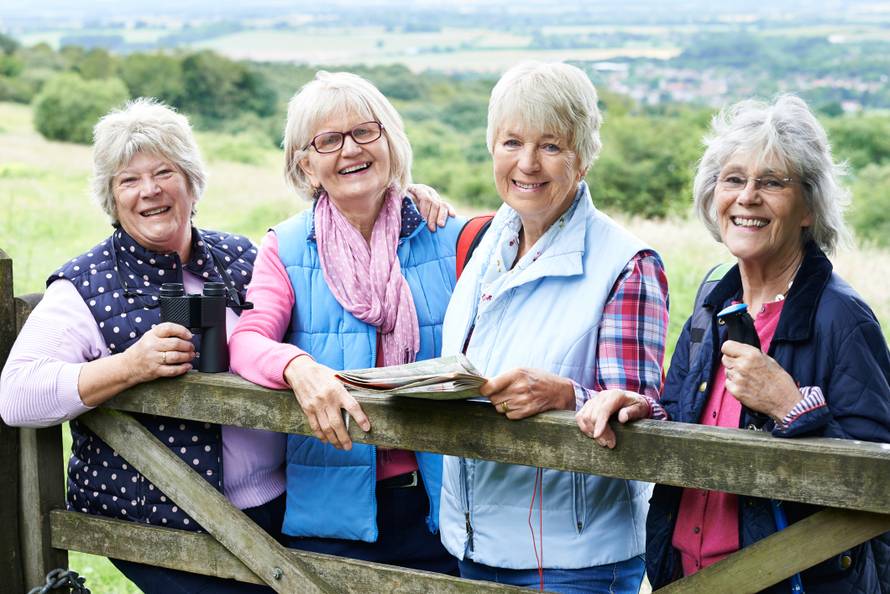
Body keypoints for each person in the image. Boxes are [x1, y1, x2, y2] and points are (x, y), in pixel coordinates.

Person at [576, 95, 890, 593]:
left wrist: (792, 406)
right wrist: (638, 409)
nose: (748, 197)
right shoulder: (710, 303)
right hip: (685, 576)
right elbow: (683, 414)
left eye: (772, 182)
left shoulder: (843, 319)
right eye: (734, 179)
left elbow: (879, 484)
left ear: (808, 207)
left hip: (783, 580)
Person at [0, 98, 285, 594]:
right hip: (159, 522)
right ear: (111, 199)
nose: (149, 190)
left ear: (192, 182)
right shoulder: (86, 283)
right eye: (128, 180)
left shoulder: (241, 257)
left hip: (284, 504)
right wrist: (129, 366)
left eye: (164, 172)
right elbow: (17, 393)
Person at [437, 61, 669, 593]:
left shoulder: (627, 264)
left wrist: (568, 395)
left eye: (551, 145)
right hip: (472, 547)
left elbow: (643, 411)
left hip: (575, 565)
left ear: (583, 156)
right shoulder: (481, 243)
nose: (527, 164)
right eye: (511, 142)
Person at [228, 71, 460, 574]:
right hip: (335, 508)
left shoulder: (447, 236)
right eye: (327, 140)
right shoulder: (286, 248)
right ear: (306, 166)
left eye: (364, 132)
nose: (350, 149)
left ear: (390, 142)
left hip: (446, 506)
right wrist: (297, 368)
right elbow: (246, 340)